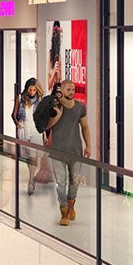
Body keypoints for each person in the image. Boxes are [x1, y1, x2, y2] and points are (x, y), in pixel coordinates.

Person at [45, 78, 90, 225]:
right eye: (68, 90)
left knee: (75, 181)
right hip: (57, 151)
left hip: (76, 151)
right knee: (60, 182)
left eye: (73, 90)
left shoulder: (80, 107)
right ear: (62, 90)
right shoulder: (55, 106)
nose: (71, 92)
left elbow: (85, 127)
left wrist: (88, 145)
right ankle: (63, 211)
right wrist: (56, 115)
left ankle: (71, 205)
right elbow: (47, 126)